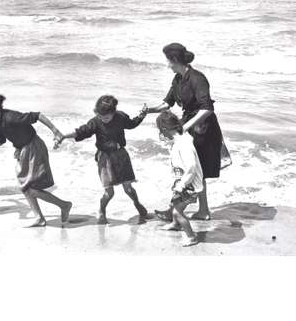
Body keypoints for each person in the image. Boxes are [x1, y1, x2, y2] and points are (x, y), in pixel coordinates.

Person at [0, 88, 72, 227]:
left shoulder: (11, 117)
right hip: (24, 150)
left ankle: (64, 205)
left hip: (34, 148)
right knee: (25, 187)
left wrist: (56, 131)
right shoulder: (0, 120)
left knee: (29, 188)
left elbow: (38, 115)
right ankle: (39, 218)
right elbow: (0, 141)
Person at [146, 43, 223, 221]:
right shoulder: (178, 79)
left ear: (175, 60)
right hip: (188, 126)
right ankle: (195, 210)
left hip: (203, 129)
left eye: (168, 61)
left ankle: (181, 210)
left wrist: (184, 127)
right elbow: (167, 103)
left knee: (194, 169)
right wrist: (148, 110)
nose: (167, 65)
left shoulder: (197, 78)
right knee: (190, 170)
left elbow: (207, 109)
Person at [56, 95, 149, 225]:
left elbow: (132, 124)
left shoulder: (121, 117)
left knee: (128, 188)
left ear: (113, 112)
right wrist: (64, 136)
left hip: (121, 155)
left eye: (106, 117)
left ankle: (138, 204)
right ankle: (102, 211)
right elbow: (82, 132)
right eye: (100, 116)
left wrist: (142, 115)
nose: (103, 119)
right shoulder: (95, 121)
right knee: (109, 192)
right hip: (105, 158)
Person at [156, 111, 203, 247]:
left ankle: (191, 236)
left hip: (189, 185)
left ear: (165, 129)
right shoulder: (180, 139)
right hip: (183, 182)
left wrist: (181, 185)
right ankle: (175, 225)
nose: (161, 134)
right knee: (174, 203)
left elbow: (191, 166)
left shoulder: (184, 144)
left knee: (177, 211)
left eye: (160, 130)